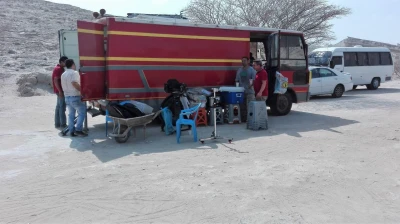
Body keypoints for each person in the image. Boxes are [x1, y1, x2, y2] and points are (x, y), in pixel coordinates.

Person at [61, 59, 87, 137]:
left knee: (71, 114)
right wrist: (82, 91)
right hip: (75, 96)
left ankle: (71, 131)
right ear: (73, 64)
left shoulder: (63, 74)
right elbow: (74, 83)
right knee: (82, 113)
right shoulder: (74, 73)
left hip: (67, 97)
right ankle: (78, 129)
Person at [235, 56, 256, 122]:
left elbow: (255, 80)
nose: (243, 62)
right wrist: (237, 86)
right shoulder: (239, 70)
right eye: (242, 61)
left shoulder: (252, 70)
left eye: (244, 60)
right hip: (241, 91)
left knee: (250, 106)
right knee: (242, 106)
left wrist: (251, 85)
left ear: (248, 61)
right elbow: (237, 80)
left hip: (250, 91)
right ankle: (244, 119)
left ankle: (250, 119)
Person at [53, 56, 68, 129]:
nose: (66, 63)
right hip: (60, 91)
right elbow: (55, 80)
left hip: (58, 91)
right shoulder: (59, 69)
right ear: (61, 62)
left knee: (58, 107)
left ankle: (57, 123)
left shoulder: (58, 68)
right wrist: (60, 91)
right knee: (62, 107)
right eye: (65, 62)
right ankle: (63, 124)